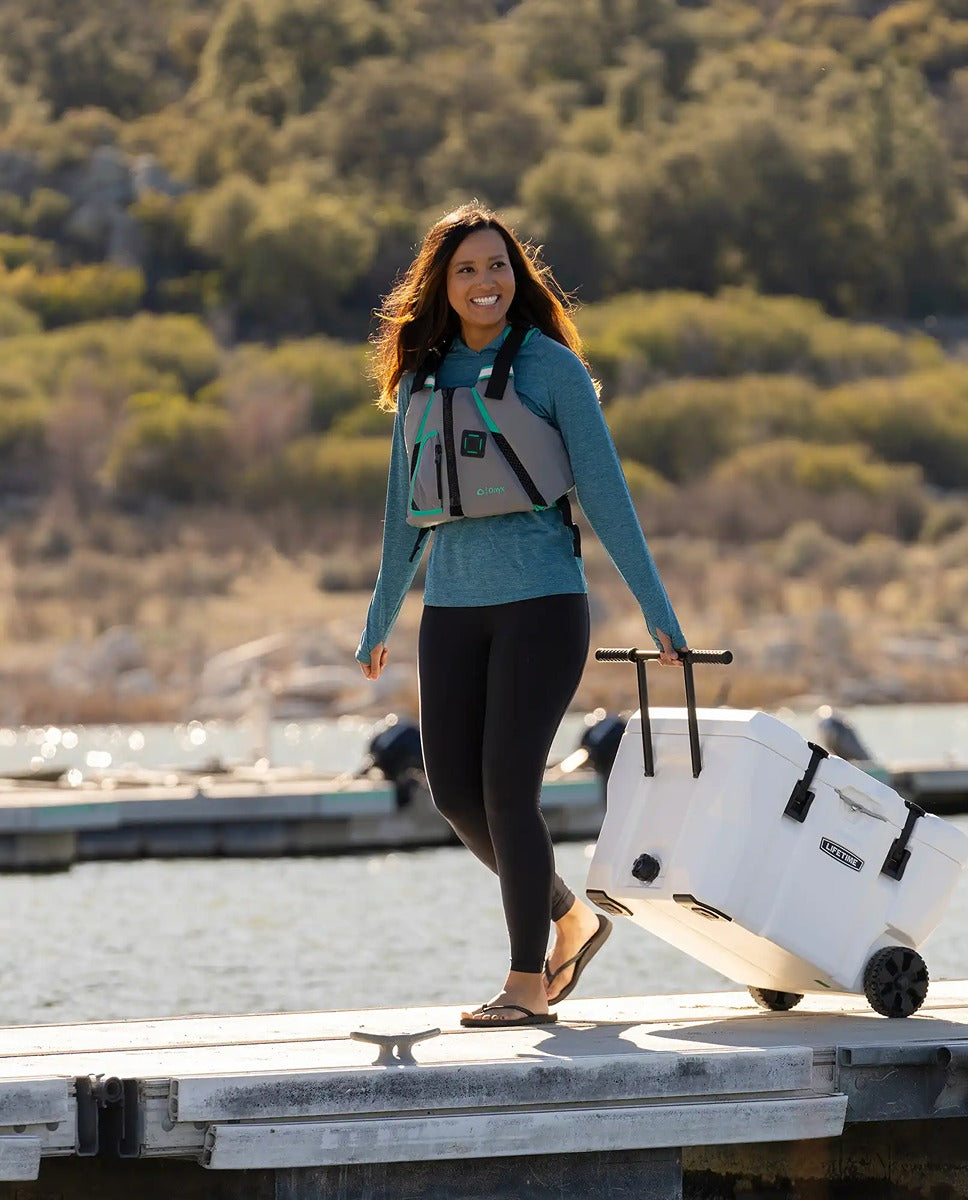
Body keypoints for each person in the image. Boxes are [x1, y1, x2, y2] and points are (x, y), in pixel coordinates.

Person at [356, 202, 687, 1030]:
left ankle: (525, 984)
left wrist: (656, 609)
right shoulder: (421, 378)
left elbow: (606, 496)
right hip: (452, 609)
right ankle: (571, 918)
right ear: (442, 284)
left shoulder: (551, 369)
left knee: (508, 791)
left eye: (498, 266)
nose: (485, 282)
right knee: (455, 794)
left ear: (517, 276)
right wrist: (378, 618)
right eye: (466, 269)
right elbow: (403, 514)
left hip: (542, 607)